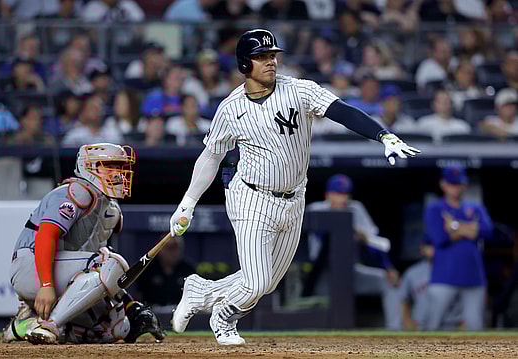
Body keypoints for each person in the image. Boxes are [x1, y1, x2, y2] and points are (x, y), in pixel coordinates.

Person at [168, 28, 420, 345]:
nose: (271, 61)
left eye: (272, 55)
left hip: (293, 197)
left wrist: (383, 135)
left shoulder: (299, 90)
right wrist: (188, 203)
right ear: (245, 64)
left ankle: (200, 291)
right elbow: (211, 156)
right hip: (250, 196)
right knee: (256, 282)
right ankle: (224, 316)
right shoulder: (231, 109)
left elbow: (342, 110)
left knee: (268, 283)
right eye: (261, 57)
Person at [1, 143, 164, 345]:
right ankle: (50, 324)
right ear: (90, 168)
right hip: (33, 266)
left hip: (65, 274)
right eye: (109, 166)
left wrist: (128, 304)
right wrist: (45, 285)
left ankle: (25, 325)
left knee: (116, 328)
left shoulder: (110, 207)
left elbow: (97, 269)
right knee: (111, 261)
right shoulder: (75, 192)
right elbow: (45, 236)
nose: (118, 173)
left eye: (120, 167)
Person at [304, 174, 402, 330]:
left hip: (350, 271)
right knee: (318, 310)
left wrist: (388, 267)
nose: (343, 198)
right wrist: (346, 227)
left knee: (388, 281)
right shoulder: (316, 209)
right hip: (322, 273)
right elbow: (320, 238)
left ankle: (395, 331)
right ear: (328, 194)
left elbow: (375, 243)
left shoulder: (356, 209)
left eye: (345, 194)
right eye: (338, 193)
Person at [424, 166, 493, 330]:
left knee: (475, 326)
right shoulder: (435, 208)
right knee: (433, 325)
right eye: (452, 184)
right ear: (443, 185)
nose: (456, 188)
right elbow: (439, 238)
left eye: (459, 183)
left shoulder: (475, 207)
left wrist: (454, 226)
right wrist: (470, 229)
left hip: (473, 276)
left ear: (465, 185)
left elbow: (488, 232)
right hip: (443, 277)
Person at [400, 240, 462, 330]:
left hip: (450, 326)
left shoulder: (456, 270)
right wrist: (407, 322)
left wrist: (464, 322)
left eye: (435, 246)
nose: (433, 250)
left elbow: (465, 298)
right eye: (429, 246)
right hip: (420, 326)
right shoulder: (412, 272)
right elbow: (404, 300)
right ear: (422, 249)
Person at [137, 237, 196, 307]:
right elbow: (140, 295)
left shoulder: (188, 269)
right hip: (153, 313)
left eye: (176, 249)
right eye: (169, 248)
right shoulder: (148, 270)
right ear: (160, 250)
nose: (173, 253)